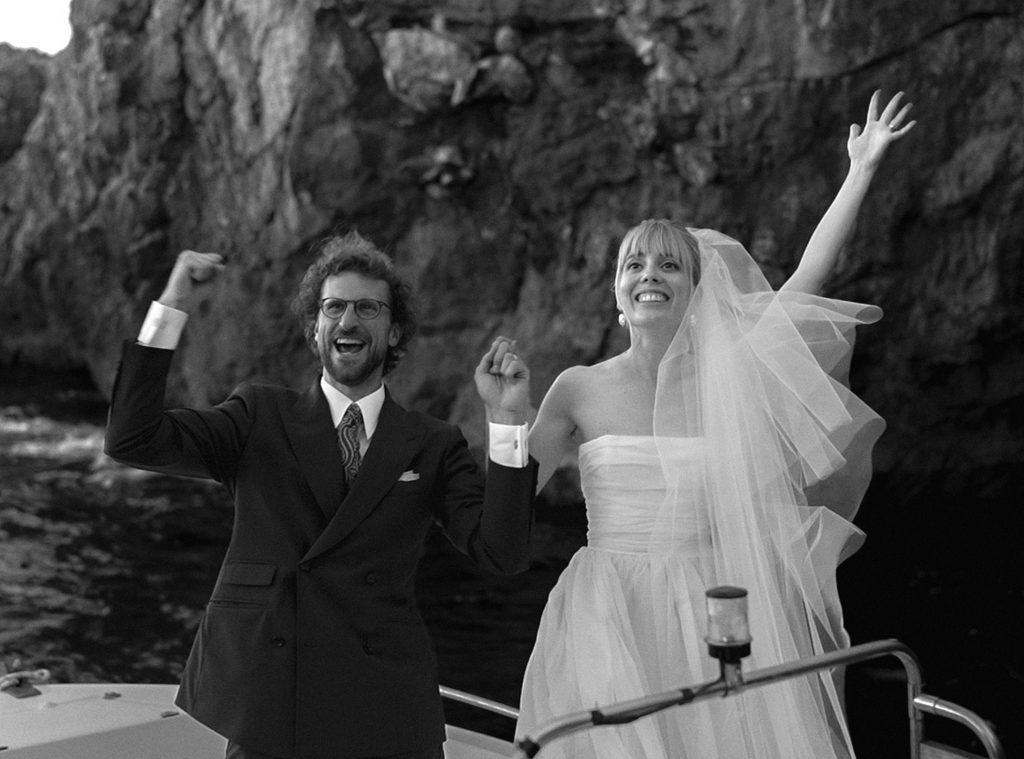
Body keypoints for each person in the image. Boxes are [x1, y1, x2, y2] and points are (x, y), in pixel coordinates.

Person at [515, 90, 916, 758]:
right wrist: (503, 420)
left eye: (669, 264)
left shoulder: (734, 379)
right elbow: (500, 501)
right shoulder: (576, 388)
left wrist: (861, 171)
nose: (650, 274)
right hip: (605, 607)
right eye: (634, 264)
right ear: (617, 290)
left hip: (714, 608)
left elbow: (809, 279)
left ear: (696, 291)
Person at [104, 230, 538, 759]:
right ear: (315, 330)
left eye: (367, 308)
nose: (348, 320)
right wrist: (172, 307)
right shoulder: (258, 416)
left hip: (386, 703)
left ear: (395, 331)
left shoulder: (432, 442)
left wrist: (508, 421)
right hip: (273, 700)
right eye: (333, 307)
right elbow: (132, 440)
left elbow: (503, 552)